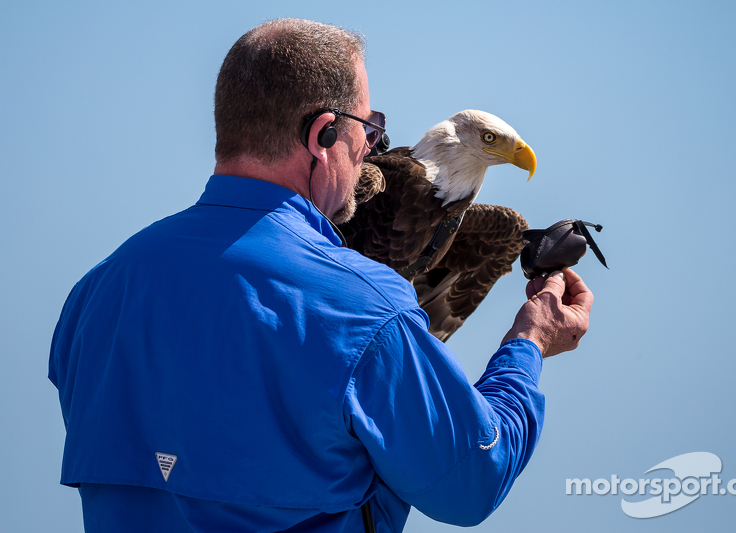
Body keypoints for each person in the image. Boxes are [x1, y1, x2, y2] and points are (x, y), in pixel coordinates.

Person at [49, 18, 593, 533]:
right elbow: (471, 480)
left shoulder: (98, 292)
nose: (371, 149)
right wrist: (529, 343)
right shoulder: (365, 310)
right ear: (325, 135)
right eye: (370, 130)